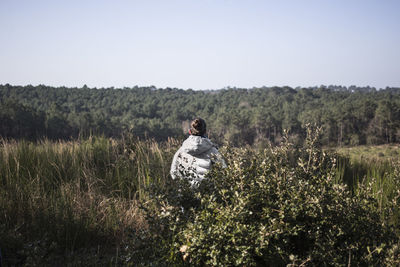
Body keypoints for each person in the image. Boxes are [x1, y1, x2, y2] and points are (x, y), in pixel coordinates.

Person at [170, 118, 225, 187]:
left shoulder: (181, 150)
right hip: (207, 193)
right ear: (205, 131)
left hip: (185, 193)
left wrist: (182, 185)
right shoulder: (213, 150)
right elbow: (223, 170)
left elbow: (173, 171)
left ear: (190, 131)